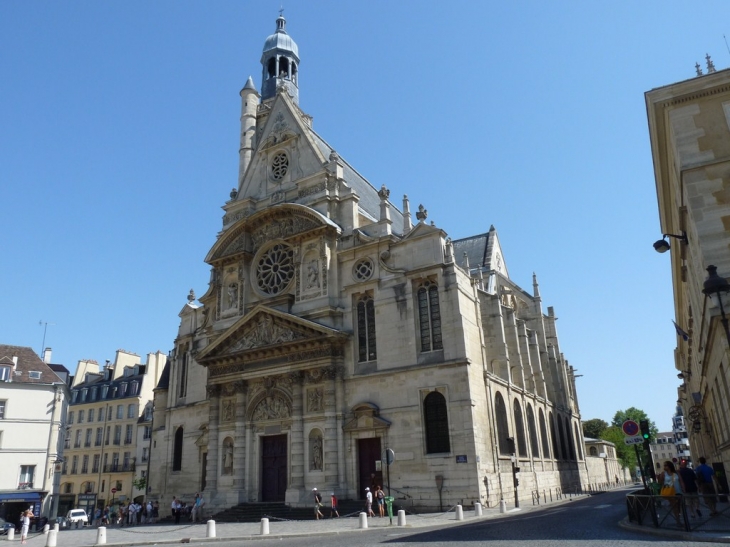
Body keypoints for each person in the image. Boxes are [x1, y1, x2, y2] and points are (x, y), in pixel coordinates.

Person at [659, 461, 684, 525]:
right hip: (670, 492)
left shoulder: (676, 473)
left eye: (665, 465)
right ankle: (678, 520)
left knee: (679, 506)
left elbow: (681, 481)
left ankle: (679, 517)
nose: (664, 467)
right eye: (664, 466)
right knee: (675, 506)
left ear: (669, 466)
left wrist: (684, 489)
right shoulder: (663, 474)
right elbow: (660, 482)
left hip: (678, 491)